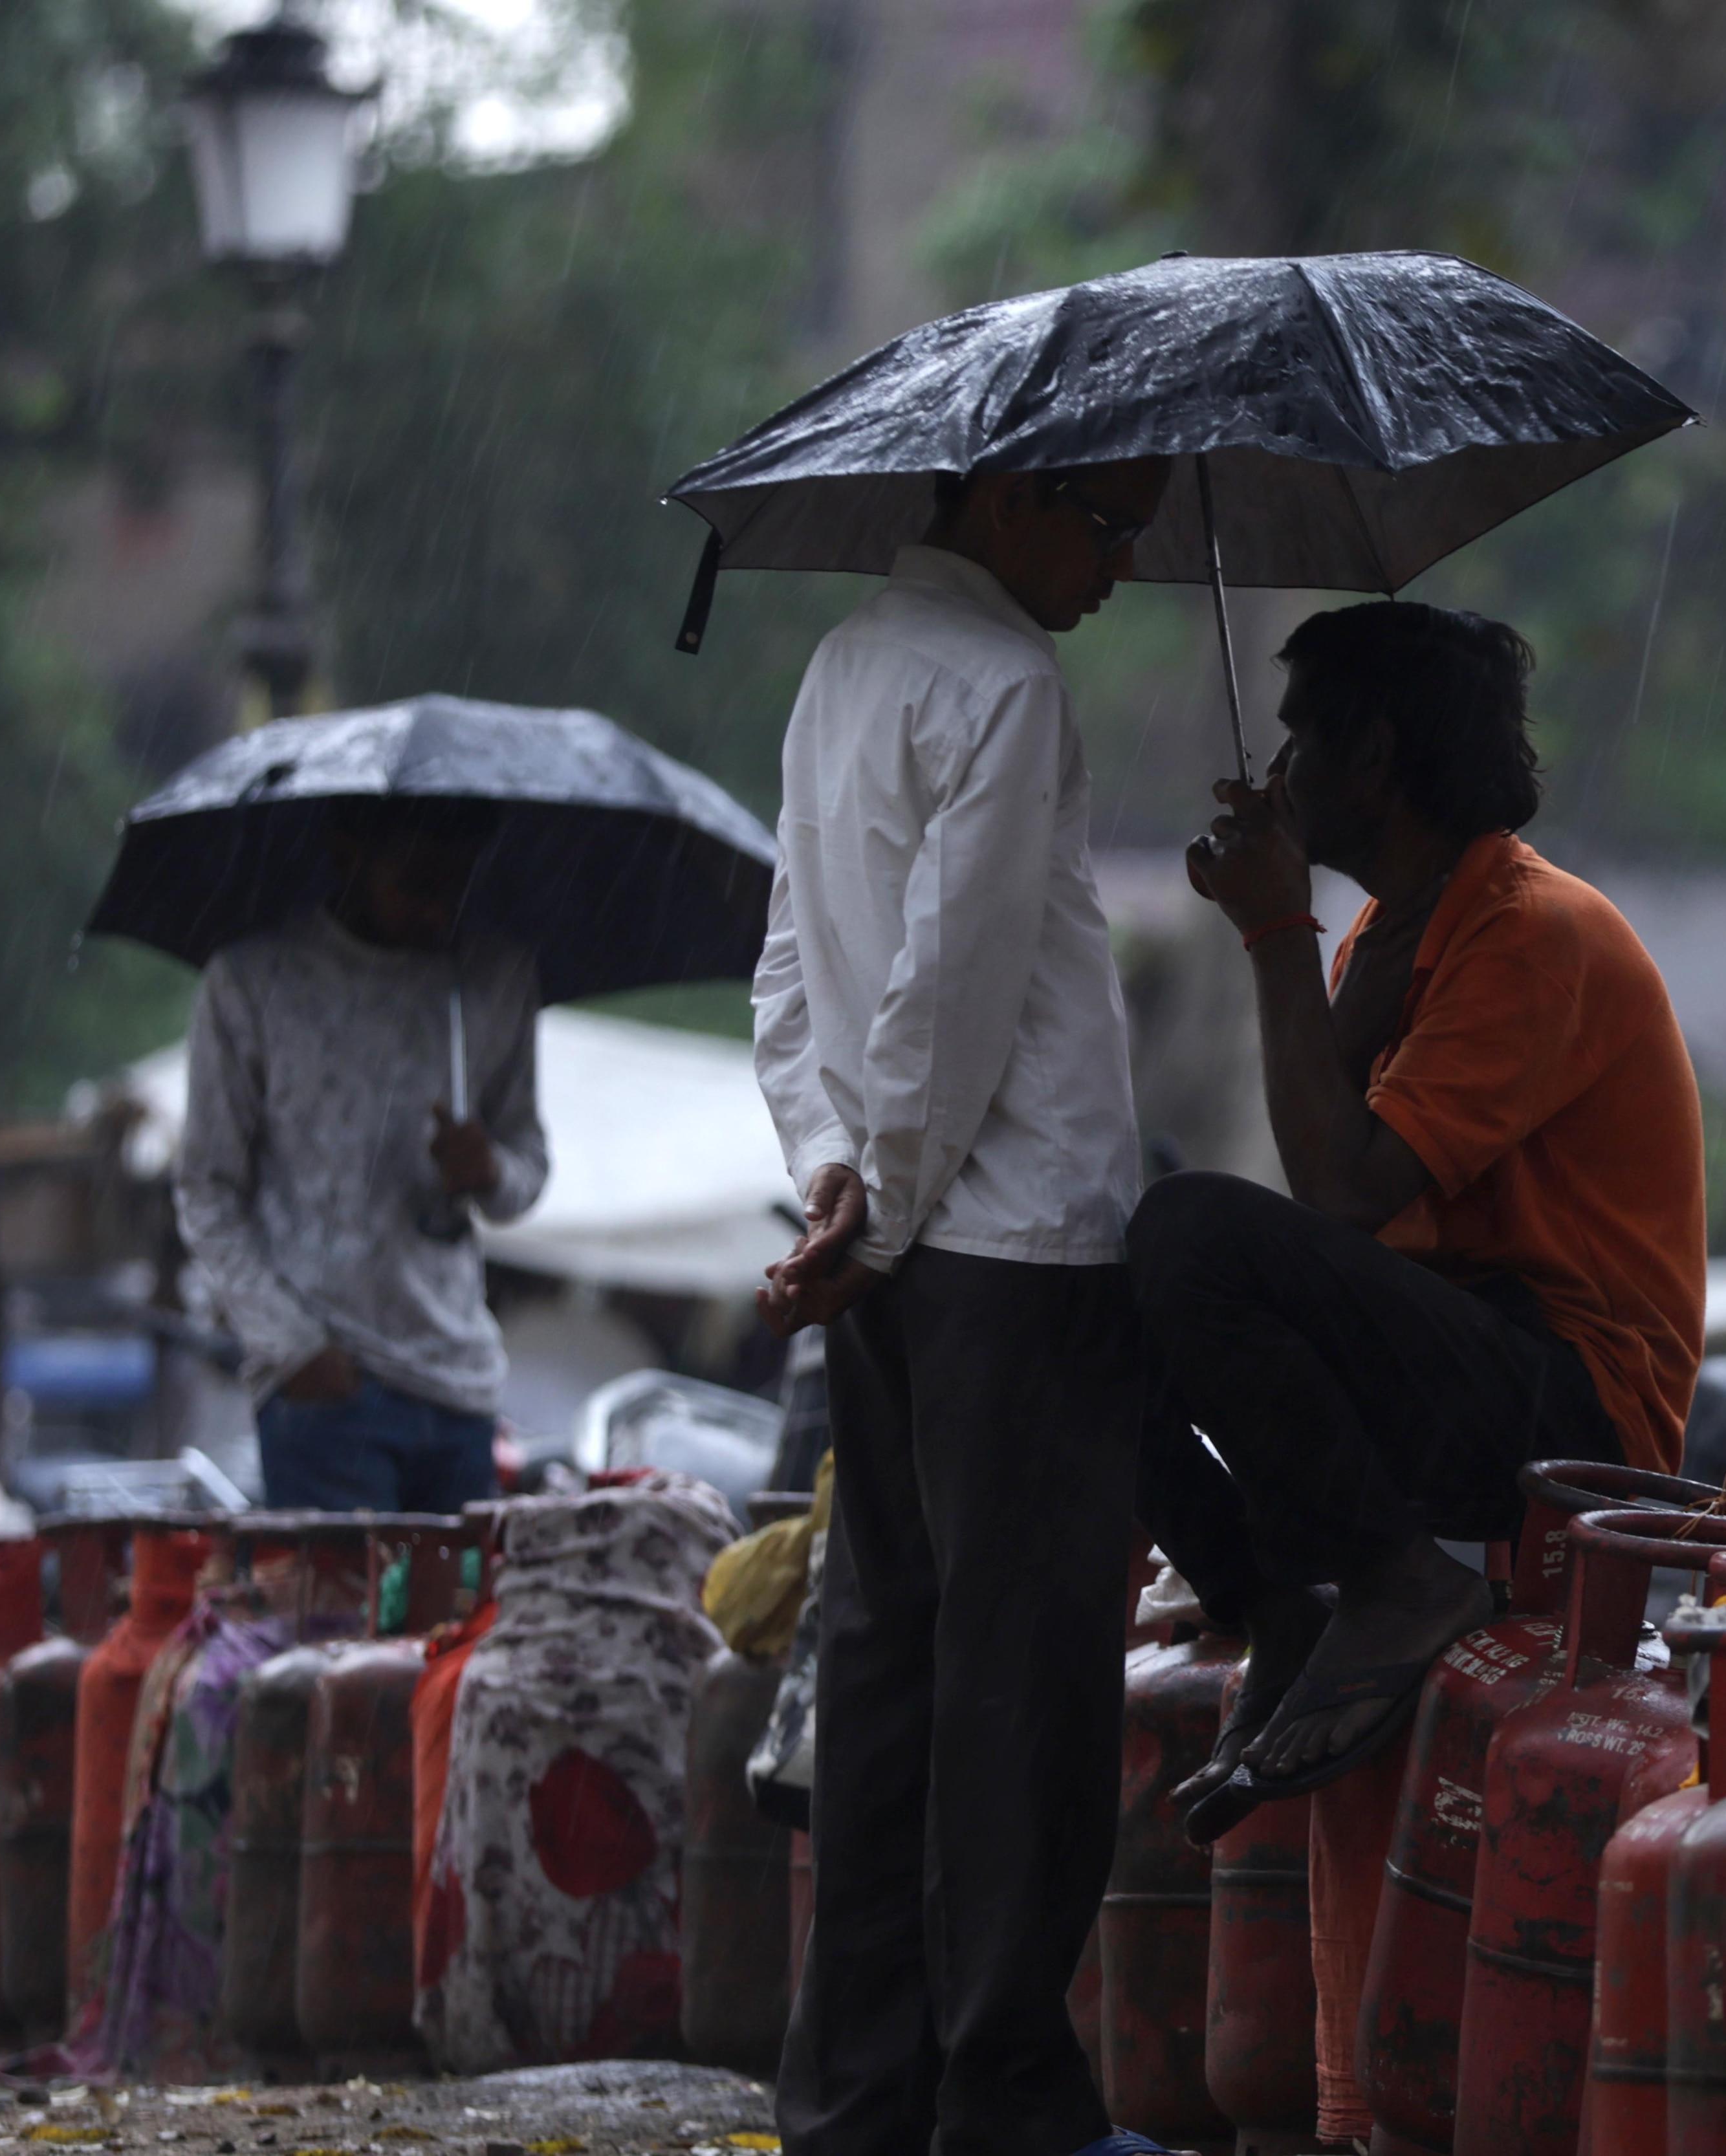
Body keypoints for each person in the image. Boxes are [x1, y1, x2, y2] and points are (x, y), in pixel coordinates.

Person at [750, 455, 1171, 2156]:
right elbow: (960, 969)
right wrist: (894, 1193)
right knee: (1025, 1691)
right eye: (1110, 522)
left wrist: (836, 1174)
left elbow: (791, 967)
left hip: (892, 1252)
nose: (1124, 565)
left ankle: (862, 2097)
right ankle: (1003, 2097)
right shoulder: (1003, 681)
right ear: (1012, 501)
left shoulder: (843, 664)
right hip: (1016, 1248)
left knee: (892, 1678)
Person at [1136, 599, 1708, 1831]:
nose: (1275, 773)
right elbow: (1324, 1174)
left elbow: (1337, 1192)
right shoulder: (1403, 933)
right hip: (1466, 1346)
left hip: (1577, 1407)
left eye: (1299, 744)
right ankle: (1275, 1598)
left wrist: (1277, 926)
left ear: (1377, 754)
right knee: (1090, 1279)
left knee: (1183, 1230)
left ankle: (1398, 1582)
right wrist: (1289, 932)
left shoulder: (1532, 932)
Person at [174, 796, 545, 1514]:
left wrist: (489, 1170)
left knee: (460, 1628)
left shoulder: (496, 980)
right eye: (415, 881)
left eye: (456, 883)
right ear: (348, 853)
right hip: (324, 1398)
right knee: (341, 1626)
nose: (437, 910)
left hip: (461, 1387)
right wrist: (291, 1346)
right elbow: (206, 1190)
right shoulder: (252, 983)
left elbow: (530, 1164)